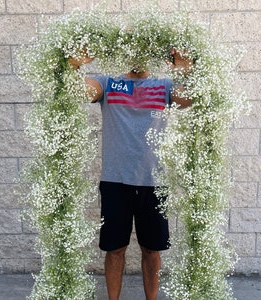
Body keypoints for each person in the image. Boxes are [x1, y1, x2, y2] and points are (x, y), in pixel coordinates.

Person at [68, 48, 193, 300]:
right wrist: (74, 66)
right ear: (124, 51)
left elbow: (189, 100)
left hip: (154, 182)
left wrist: (185, 69)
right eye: (133, 48)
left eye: (145, 49)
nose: (139, 55)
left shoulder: (164, 86)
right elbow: (79, 90)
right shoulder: (109, 83)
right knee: (114, 250)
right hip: (115, 182)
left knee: (152, 250)